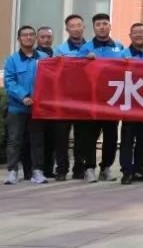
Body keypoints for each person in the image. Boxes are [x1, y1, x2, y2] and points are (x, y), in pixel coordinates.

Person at [81, 13, 126, 182]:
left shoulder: (119, 47)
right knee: (89, 136)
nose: (102, 27)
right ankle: (89, 168)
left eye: (105, 23)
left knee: (111, 136)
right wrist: (85, 60)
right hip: (92, 99)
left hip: (112, 99)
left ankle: (106, 168)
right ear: (93, 28)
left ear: (110, 26)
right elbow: (76, 70)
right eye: (98, 24)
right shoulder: (86, 48)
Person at [3, 25, 44, 185]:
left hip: (38, 108)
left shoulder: (43, 58)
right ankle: (12, 171)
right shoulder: (12, 60)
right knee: (14, 140)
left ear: (35, 38)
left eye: (31, 34)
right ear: (19, 39)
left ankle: (37, 171)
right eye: (25, 35)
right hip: (17, 107)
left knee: (37, 141)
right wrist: (23, 96)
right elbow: (9, 82)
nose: (28, 37)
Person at [54, 14, 93, 181]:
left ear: (84, 28)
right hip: (64, 99)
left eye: (79, 25)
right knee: (61, 137)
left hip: (84, 99)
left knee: (82, 137)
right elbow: (55, 74)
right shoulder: (60, 50)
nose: (76, 29)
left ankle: (79, 169)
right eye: (72, 26)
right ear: (67, 29)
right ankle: (61, 169)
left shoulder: (91, 48)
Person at [33, 25, 69, 181]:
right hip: (39, 104)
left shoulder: (58, 55)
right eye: (42, 37)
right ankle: (40, 169)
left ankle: (58, 169)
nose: (46, 40)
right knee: (42, 141)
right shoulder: (33, 56)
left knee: (58, 140)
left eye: (48, 37)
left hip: (57, 104)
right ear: (37, 39)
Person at [119, 22, 143, 185]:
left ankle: (139, 169)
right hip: (129, 103)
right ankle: (126, 171)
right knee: (127, 139)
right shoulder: (123, 54)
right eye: (135, 32)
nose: (138, 35)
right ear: (130, 36)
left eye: (141, 32)